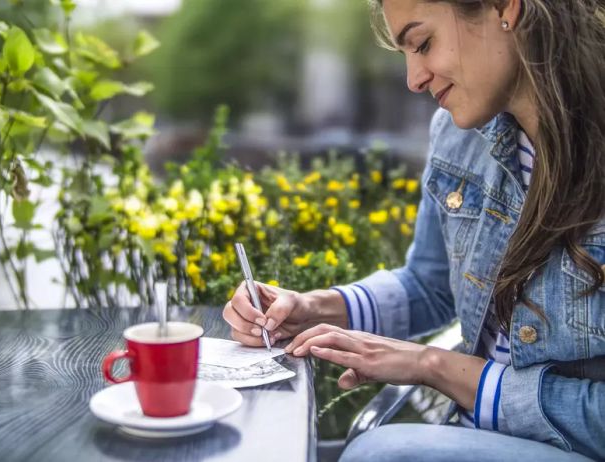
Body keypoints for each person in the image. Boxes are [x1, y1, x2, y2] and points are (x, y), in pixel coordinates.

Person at [222, 0, 605, 460]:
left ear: (507, 9)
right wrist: (312, 309)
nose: (414, 79)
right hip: (478, 435)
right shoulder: (460, 131)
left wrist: (437, 368)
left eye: (423, 43)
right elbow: (429, 286)